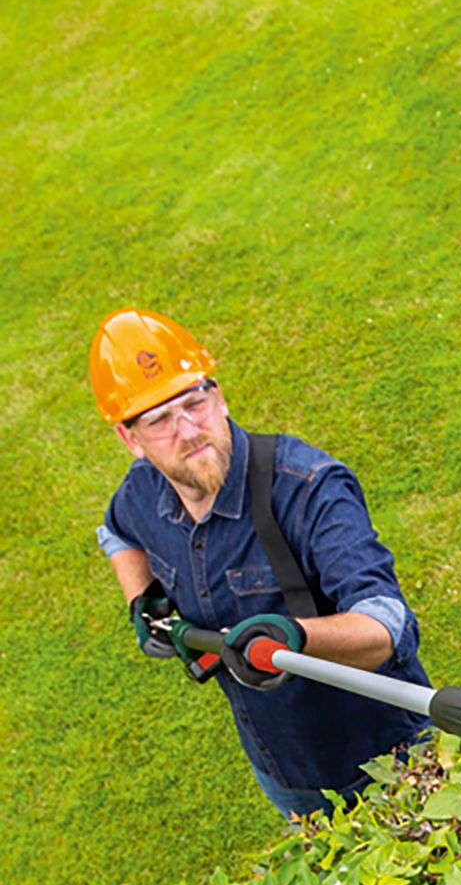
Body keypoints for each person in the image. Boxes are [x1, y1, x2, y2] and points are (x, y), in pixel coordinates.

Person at [92, 307, 432, 819]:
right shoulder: (143, 494)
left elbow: (388, 623)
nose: (187, 431)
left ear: (219, 396)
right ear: (130, 440)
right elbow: (114, 533)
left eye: (194, 403)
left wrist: (293, 638)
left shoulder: (307, 488)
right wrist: (142, 601)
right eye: (159, 420)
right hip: (283, 770)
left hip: (390, 757)